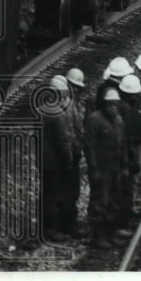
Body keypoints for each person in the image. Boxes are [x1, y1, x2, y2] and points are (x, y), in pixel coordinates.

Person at [83, 87, 126, 249]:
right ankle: (97, 235)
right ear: (104, 104)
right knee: (100, 201)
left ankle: (109, 232)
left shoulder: (118, 120)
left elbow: (122, 144)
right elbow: (89, 145)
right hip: (101, 168)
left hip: (114, 167)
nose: (113, 107)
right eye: (110, 104)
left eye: (115, 104)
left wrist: (125, 164)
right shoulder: (95, 119)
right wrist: (93, 168)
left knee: (114, 201)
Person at [38, 76, 77, 243]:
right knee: (54, 193)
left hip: (43, 160)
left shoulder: (41, 110)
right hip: (55, 162)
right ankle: (52, 229)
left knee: (47, 192)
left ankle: (46, 227)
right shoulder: (58, 115)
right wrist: (68, 160)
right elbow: (63, 142)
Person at [116, 73, 141, 233]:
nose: (137, 98)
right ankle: (120, 224)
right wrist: (132, 158)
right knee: (124, 187)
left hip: (118, 154)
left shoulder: (117, 106)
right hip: (123, 156)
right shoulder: (125, 110)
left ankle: (119, 222)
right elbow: (126, 138)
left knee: (121, 188)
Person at [63, 68, 88, 238]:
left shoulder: (73, 103)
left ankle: (68, 223)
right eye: (74, 86)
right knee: (68, 190)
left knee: (72, 189)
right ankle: (67, 225)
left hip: (73, 153)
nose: (76, 90)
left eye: (78, 87)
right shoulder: (66, 105)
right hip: (68, 154)